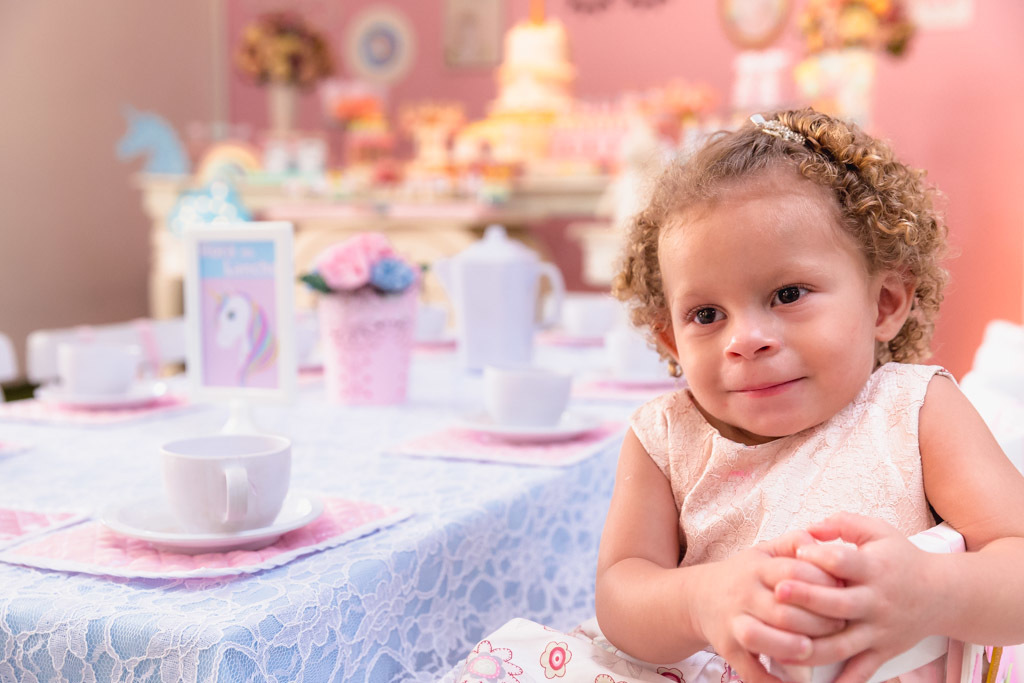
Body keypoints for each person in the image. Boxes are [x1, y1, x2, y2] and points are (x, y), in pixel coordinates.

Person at [450, 109, 1024, 683]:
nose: (745, 340)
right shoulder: (665, 438)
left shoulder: (916, 409)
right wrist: (700, 599)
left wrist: (931, 590)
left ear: (885, 304)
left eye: (788, 294)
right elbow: (621, 594)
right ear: (671, 339)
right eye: (707, 314)